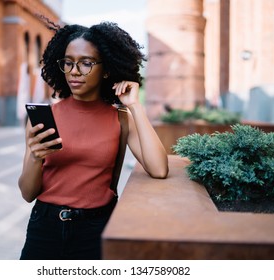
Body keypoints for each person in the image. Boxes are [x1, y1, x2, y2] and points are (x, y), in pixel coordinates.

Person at [18, 18, 169, 260]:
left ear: (106, 69)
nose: (74, 72)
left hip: (96, 229)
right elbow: (27, 193)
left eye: (86, 63)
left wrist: (135, 106)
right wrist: (36, 157)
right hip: (44, 229)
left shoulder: (120, 118)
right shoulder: (46, 117)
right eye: (68, 63)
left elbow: (159, 168)